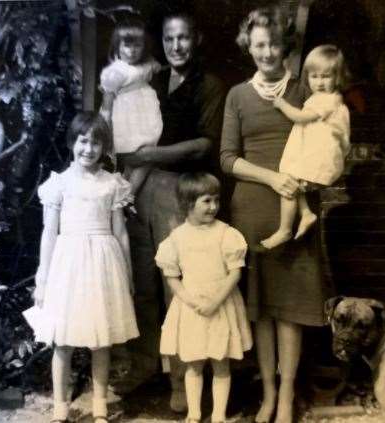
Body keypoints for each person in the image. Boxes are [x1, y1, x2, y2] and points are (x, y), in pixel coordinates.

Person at [220, 6, 330, 423]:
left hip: (297, 212)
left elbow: (324, 151)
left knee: (291, 308)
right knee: (262, 308)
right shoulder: (237, 95)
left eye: (273, 44)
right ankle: (267, 393)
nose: (266, 52)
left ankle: (286, 396)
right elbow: (228, 158)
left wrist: (300, 183)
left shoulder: (305, 92)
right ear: (249, 47)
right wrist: (273, 178)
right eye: (258, 44)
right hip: (254, 209)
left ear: (286, 46)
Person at [118, 10, 226, 413]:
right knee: (143, 283)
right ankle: (146, 365)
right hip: (142, 184)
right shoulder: (152, 81)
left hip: (180, 189)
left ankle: (183, 378)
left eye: (182, 38)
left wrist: (149, 154)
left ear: (195, 39)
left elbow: (204, 144)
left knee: (175, 285)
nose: (176, 46)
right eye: (168, 39)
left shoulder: (209, 84)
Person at [30, 112, 139, 423]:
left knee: (100, 338)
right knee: (62, 340)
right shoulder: (59, 183)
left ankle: (100, 403)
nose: (89, 149)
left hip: (104, 262)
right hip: (68, 263)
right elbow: (49, 233)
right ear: (72, 143)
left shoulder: (112, 184)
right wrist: (42, 278)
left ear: (104, 147)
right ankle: (61, 405)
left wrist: (128, 274)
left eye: (96, 142)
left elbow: (120, 233)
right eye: (83, 141)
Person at [154, 172, 252, 423]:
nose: (214, 207)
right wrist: (190, 300)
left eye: (216, 200)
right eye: (206, 201)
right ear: (188, 204)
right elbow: (172, 276)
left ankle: (218, 414)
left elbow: (235, 273)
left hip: (221, 304)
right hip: (192, 308)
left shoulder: (226, 234)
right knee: (194, 363)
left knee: (221, 363)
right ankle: (194, 412)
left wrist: (215, 301)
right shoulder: (177, 238)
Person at [261, 45, 350, 249]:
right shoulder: (325, 99)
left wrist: (282, 104)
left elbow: (301, 117)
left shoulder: (327, 101)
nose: (319, 82)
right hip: (316, 154)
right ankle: (307, 213)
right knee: (293, 180)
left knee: (288, 187)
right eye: (314, 76)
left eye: (326, 76)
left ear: (337, 78)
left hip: (318, 158)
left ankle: (284, 230)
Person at [99, 16, 163, 203]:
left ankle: (121, 199)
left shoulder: (147, 63)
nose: (132, 51)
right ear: (117, 46)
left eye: (138, 45)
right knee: (140, 159)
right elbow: (107, 105)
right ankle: (127, 198)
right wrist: (106, 129)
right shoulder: (115, 72)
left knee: (141, 159)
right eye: (127, 45)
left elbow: (157, 68)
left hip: (146, 117)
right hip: (128, 121)